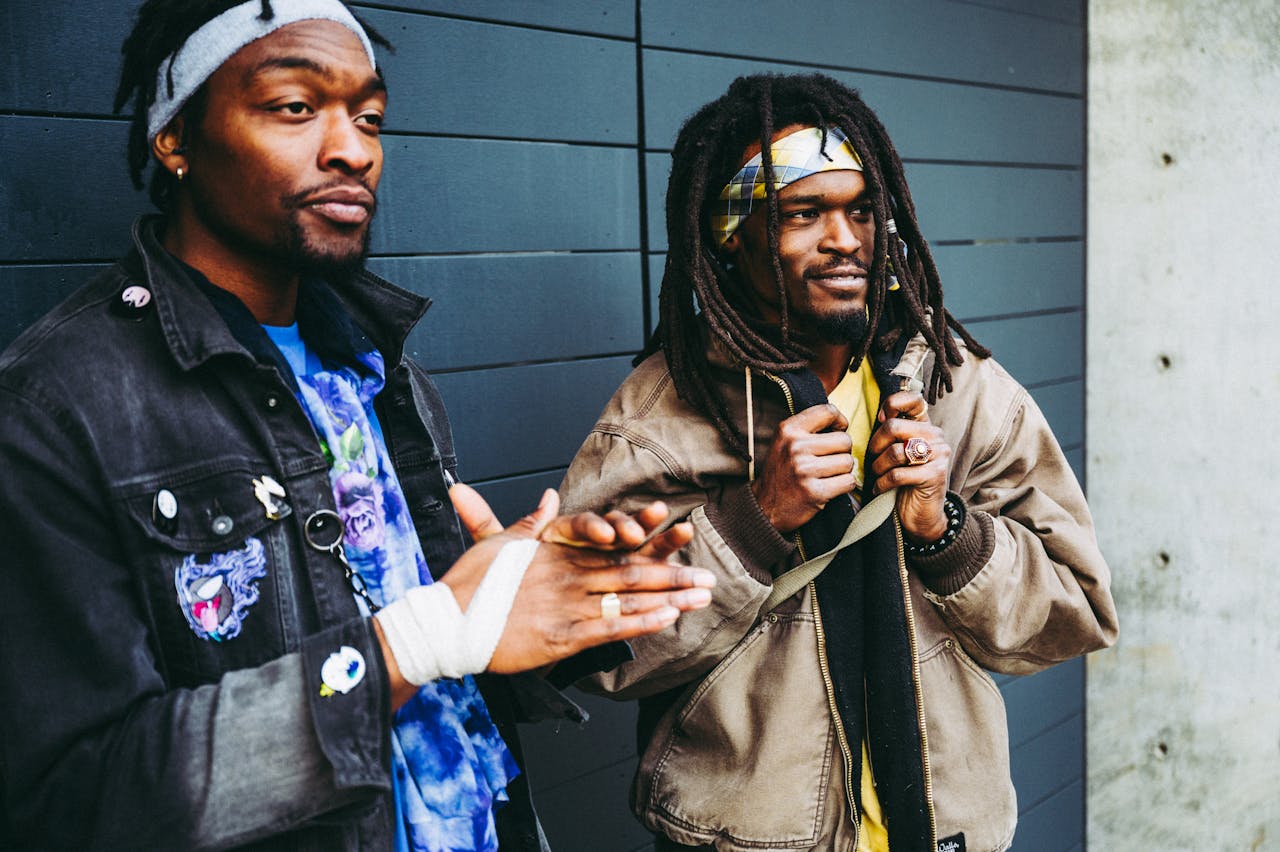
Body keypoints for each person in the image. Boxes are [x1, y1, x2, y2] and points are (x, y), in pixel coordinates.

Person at [0, 2, 718, 849]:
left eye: (369, 116)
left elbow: (450, 651)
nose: (354, 149)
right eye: (294, 108)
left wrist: (534, 604)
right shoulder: (56, 406)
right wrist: (418, 641)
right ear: (176, 139)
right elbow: (78, 798)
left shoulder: (379, 371)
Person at [559, 73, 1119, 852]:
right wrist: (753, 523)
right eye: (803, 214)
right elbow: (592, 647)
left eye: (862, 210)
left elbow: (1076, 607)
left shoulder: (961, 390)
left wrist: (945, 530)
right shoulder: (661, 416)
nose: (846, 239)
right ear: (733, 234)